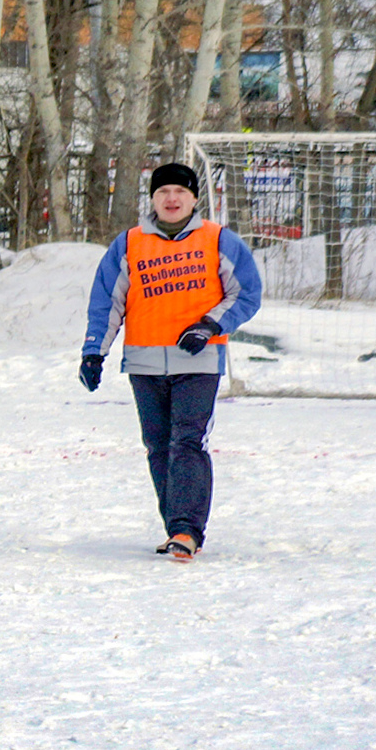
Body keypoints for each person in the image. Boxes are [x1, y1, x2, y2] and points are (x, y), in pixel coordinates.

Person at [79, 162, 262, 562]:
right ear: (153, 200)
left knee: (187, 442)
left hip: (197, 361)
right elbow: (107, 301)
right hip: (144, 364)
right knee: (158, 447)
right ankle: (176, 527)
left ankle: (186, 530)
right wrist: (95, 350)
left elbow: (246, 293)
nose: (172, 199)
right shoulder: (129, 244)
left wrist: (209, 325)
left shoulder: (219, 241)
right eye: (163, 193)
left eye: (180, 192)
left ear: (195, 198)